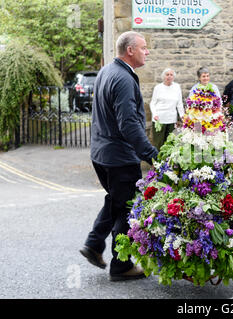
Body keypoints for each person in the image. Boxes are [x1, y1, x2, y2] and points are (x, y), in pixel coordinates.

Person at [80, 31, 159, 282]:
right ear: (130, 51)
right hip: (120, 158)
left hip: (101, 154)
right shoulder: (124, 79)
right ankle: (121, 265)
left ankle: (93, 244)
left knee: (116, 200)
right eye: (144, 47)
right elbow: (129, 124)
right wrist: (151, 154)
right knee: (126, 209)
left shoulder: (107, 71)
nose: (147, 52)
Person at [150, 68, 185, 151]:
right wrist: (154, 114)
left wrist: (182, 116)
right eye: (167, 74)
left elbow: (179, 104)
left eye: (171, 75)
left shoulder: (177, 87)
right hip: (159, 119)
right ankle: (157, 162)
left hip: (171, 119)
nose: (169, 76)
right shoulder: (158, 88)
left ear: (173, 77)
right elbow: (152, 103)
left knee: (170, 144)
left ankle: (168, 163)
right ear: (163, 76)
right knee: (159, 143)